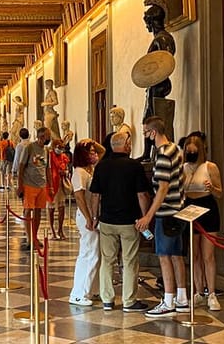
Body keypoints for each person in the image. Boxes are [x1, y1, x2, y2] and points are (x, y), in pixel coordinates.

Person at [89, 132, 152, 312]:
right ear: (127, 145)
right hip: (128, 221)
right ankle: (129, 301)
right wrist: (145, 216)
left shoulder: (101, 166)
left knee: (107, 260)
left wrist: (95, 217)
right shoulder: (134, 166)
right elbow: (142, 194)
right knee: (129, 260)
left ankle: (107, 299)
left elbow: (95, 195)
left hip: (107, 220)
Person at [136, 116, 188, 317]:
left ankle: (168, 301)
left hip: (166, 212)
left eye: (146, 133)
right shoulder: (176, 148)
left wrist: (148, 216)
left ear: (153, 132)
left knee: (164, 257)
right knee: (176, 256)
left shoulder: (164, 154)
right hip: (178, 210)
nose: (146, 136)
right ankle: (182, 298)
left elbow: (163, 188)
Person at [183, 134, 223, 311]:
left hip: (207, 208)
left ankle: (211, 293)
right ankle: (198, 291)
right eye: (188, 151)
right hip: (189, 207)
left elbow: (220, 193)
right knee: (195, 255)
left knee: (208, 255)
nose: (190, 153)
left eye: (193, 151)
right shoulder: (183, 168)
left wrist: (211, 188)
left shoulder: (210, 167)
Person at [69, 139, 105, 307]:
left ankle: (93, 289)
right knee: (89, 253)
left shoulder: (90, 170)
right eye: (90, 152)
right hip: (86, 216)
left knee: (96, 253)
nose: (94, 154)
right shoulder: (79, 172)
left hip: (93, 215)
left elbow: (103, 151)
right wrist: (89, 217)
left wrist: (92, 143)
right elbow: (79, 197)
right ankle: (79, 293)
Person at [139, 0, 176, 161]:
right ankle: (147, 154)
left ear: (153, 21)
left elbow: (166, 61)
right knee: (148, 118)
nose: (146, 26)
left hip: (159, 84)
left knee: (154, 119)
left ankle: (152, 153)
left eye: (147, 22)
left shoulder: (163, 39)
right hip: (153, 84)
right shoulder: (159, 38)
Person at [17, 127, 52, 250]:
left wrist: (50, 186)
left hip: (42, 185)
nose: (48, 138)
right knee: (28, 211)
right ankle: (29, 238)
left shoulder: (46, 150)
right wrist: (20, 185)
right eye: (47, 136)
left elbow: (47, 169)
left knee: (38, 212)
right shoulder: (29, 148)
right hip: (29, 184)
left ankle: (35, 236)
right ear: (40, 137)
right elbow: (21, 167)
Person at [47, 138, 69, 240]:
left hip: (60, 184)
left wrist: (65, 172)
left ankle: (60, 229)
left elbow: (67, 168)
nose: (60, 149)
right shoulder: (49, 155)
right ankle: (52, 230)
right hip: (51, 183)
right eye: (59, 147)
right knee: (51, 209)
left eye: (62, 147)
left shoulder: (63, 157)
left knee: (61, 207)